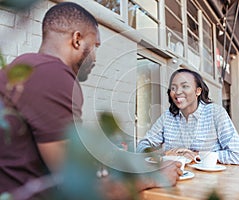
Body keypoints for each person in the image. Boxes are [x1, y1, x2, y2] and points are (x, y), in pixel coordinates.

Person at [0, 2, 182, 199]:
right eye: (95, 46)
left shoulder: (25, 66)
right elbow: (81, 191)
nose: (95, 57)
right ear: (77, 39)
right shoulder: (53, 75)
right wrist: (154, 178)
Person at [137, 68, 239, 165]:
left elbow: (238, 156)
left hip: (210, 184)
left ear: (198, 91)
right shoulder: (167, 116)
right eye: (173, 88)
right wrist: (164, 153)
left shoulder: (216, 113)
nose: (178, 92)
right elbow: (142, 145)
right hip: (176, 181)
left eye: (185, 86)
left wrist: (197, 155)